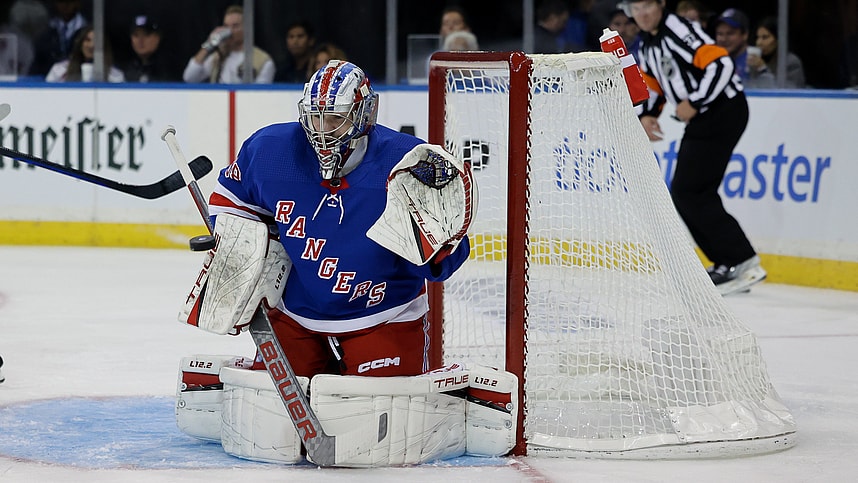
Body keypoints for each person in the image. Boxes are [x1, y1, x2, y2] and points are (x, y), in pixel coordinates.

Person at [205, 60, 470, 379]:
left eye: (335, 119)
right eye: (315, 119)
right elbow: (232, 202)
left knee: (377, 414)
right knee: (272, 412)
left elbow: (448, 256)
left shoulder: (408, 163)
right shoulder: (270, 150)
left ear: (365, 115)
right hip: (294, 314)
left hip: (384, 315)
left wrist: (435, 250)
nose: (323, 132)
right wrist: (237, 251)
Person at [623, 0, 766, 295]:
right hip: (710, 114)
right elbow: (653, 83)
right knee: (690, 192)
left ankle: (741, 260)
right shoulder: (648, 43)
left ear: (661, 4)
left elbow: (720, 64)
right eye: (635, 8)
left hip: (721, 110)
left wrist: (696, 101)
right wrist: (648, 113)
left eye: (647, 5)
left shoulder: (676, 29)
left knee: (690, 191)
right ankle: (730, 262)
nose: (642, 14)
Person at [183, 5, 274, 84]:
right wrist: (208, 44)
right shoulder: (217, 57)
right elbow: (190, 78)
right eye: (226, 26)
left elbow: (260, 95)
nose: (229, 31)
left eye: (235, 26)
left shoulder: (263, 61)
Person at [713, 8, 775, 88]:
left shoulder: (757, 59)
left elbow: (773, 92)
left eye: (730, 33)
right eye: (720, 34)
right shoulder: (713, 60)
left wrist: (762, 69)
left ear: (745, 35)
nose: (724, 39)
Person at [45, 25, 125, 82]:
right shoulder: (59, 70)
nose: (92, 45)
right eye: (87, 40)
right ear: (80, 44)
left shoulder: (115, 76)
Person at [31, 0, 87, 76]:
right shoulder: (46, 33)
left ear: (77, 3)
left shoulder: (88, 30)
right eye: (61, 1)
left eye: (69, 2)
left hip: (79, 82)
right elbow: (37, 66)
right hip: (50, 84)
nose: (65, 5)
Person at [754, 16, 806, 89]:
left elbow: (789, 92)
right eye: (758, 37)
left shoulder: (791, 62)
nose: (759, 43)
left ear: (778, 39)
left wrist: (763, 69)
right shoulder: (756, 62)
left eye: (765, 37)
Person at [122, 15, 178, 83]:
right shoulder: (125, 70)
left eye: (146, 34)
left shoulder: (170, 68)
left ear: (158, 37)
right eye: (136, 35)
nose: (140, 40)